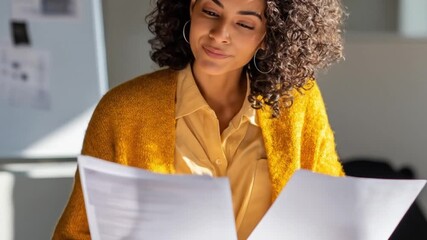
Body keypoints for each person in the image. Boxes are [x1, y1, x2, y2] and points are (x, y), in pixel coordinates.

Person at [53, 0, 346, 239]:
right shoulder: (122, 110)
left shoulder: (296, 105)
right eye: (211, 12)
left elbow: (332, 217)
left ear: (268, 37)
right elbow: (75, 234)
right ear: (191, 9)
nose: (219, 34)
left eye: (244, 24)